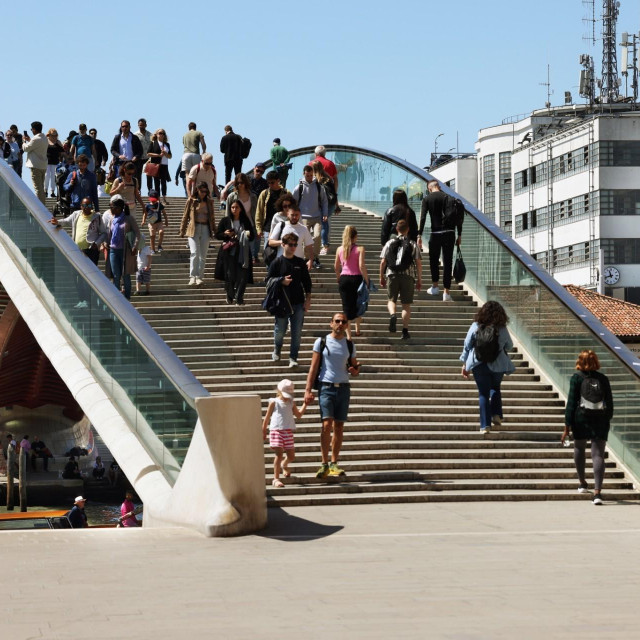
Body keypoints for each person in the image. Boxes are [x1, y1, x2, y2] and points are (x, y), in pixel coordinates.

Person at [304, 312, 361, 479]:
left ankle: (334, 463)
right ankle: (324, 463)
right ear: (331, 323)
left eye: (344, 322)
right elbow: (313, 368)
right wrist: (307, 390)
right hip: (326, 387)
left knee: (339, 426)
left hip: (343, 388)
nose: (341, 324)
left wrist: (354, 370)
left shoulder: (349, 345)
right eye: (337, 321)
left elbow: (355, 368)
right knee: (326, 424)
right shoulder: (321, 342)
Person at [562, 350, 614, 505]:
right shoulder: (603, 379)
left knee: (579, 448)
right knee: (598, 455)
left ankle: (582, 483)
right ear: (595, 361)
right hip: (600, 420)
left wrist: (567, 427)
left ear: (580, 361)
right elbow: (610, 404)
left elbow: (571, 403)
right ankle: (597, 493)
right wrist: (606, 418)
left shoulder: (576, 378)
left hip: (581, 418)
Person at [460, 301, 516, 435]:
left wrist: (464, 364)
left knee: (483, 393)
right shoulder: (501, 328)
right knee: (495, 387)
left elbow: (467, 345)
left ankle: (485, 426)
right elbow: (509, 346)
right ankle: (496, 414)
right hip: (499, 365)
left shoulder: (475, 325)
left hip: (479, 364)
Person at [266, 232, 312, 367]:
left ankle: (293, 357)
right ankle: (277, 349)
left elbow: (307, 282)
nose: (293, 247)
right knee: (280, 330)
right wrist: (281, 280)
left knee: (296, 332)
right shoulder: (277, 262)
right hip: (282, 303)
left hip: (298, 302)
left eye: (295, 245)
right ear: (283, 244)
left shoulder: (300, 263)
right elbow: (268, 280)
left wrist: (308, 298)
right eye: (290, 245)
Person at [419, 179, 463, 302]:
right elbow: (458, 217)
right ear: (439, 186)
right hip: (449, 233)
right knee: (447, 262)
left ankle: (435, 287)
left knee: (434, 260)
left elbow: (422, 218)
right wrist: (459, 235)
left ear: (429, 188)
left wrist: (419, 235)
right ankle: (446, 293)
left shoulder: (427, 199)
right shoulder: (450, 198)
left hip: (435, 233)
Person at [379, 218, 422, 340]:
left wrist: (381, 276)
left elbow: (383, 262)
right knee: (406, 305)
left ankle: (393, 315)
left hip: (392, 274)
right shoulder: (412, 244)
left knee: (391, 300)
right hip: (407, 276)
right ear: (408, 229)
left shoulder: (389, 243)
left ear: (397, 229)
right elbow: (418, 263)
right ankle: (405, 331)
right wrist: (419, 279)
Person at [262, 379, 307, 487]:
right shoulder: (274, 402)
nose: (287, 396)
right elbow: (267, 417)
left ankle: (284, 464)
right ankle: (276, 479)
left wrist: (305, 404)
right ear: (280, 391)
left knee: (291, 456)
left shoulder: (291, 402)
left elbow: (299, 415)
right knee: (279, 454)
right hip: (276, 430)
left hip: (287, 431)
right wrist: (263, 430)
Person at [214, 200, 255, 305]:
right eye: (232, 207)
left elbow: (252, 236)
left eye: (237, 207)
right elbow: (217, 235)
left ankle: (239, 297)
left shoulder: (245, 221)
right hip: (229, 251)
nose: (234, 209)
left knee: (243, 275)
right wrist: (225, 234)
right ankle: (230, 295)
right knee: (229, 274)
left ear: (241, 208)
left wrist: (248, 234)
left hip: (243, 250)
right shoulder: (225, 220)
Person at [49, 196, 107, 266]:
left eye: (89, 205)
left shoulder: (97, 217)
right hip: (77, 249)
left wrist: (96, 243)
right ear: (81, 206)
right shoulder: (76, 214)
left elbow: (104, 233)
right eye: (85, 205)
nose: (87, 207)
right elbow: (66, 221)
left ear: (92, 206)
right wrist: (57, 222)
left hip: (91, 250)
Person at [179, 181, 217, 286]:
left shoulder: (209, 201)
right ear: (197, 190)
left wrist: (215, 230)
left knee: (203, 255)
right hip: (193, 228)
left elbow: (212, 217)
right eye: (201, 191)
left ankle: (199, 277)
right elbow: (185, 216)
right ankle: (192, 276)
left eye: (205, 191)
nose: (203, 193)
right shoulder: (191, 201)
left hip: (205, 228)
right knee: (194, 252)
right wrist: (182, 230)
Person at [335, 226, 369, 339]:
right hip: (357, 279)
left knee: (346, 307)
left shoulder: (340, 249)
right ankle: (357, 329)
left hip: (344, 278)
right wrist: (367, 279)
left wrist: (338, 277)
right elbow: (361, 266)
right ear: (355, 236)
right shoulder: (360, 249)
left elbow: (336, 266)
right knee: (359, 304)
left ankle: (349, 336)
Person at [105, 199, 141, 300]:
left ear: (119, 208)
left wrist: (135, 246)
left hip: (126, 251)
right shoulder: (112, 219)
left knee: (125, 275)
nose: (111, 209)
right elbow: (109, 234)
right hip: (113, 250)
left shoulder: (129, 219)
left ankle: (127, 297)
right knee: (116, 275)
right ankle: (117, 299)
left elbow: (138, 234)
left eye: (112, 207)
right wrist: (105, 243)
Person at [292, 165, 327, 268]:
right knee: (305, 239)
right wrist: (295, 216)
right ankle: (307, 258)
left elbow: (324, 201)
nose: (310, 177)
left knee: (317, 236)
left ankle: (315, 258)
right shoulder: (299, 187)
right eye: (308, 175)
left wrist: (325, 213)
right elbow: (293, 202)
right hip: (304, 218)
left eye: (311, 175)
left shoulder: (318, 187)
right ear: (304, 174)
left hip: (316, 216)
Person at [267, 196, 314, 269]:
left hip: (298, 262)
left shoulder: (303, 228)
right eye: (292, 215)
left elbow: (309, 246)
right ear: (288, 214)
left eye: (296, 215)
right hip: (282, 262)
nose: (294, 217)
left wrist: (311, 260)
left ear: (299, 215)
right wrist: (282, 242)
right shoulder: (280, 225)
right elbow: (270, 242)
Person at [225, 173, 259, 263]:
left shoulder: (253, 196)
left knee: (251, 245)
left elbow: (256, 211)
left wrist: (259, 225)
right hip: (236, 224)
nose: (240, 185)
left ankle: (252, 258)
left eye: (242, 182)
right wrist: (228, 226)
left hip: (250, 223)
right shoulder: (231, 196)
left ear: (246, 183)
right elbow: (228, 213)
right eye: (238, 183)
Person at [255, 171, 289, 253]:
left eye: (272, 182)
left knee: (283, 251)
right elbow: (259, 211)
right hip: (268, 227)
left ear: (278, 181)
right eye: (268, 183)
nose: (270, 185)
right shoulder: (264, 193)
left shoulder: (286, 193)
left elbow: (292, 209)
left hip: (284, 226)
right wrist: (259, 228)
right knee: (269, 252)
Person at [312, 160, 338, 256]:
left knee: (322, 224)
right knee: (324, 224)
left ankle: (324, 245)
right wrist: (337, 205)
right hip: (330, 204)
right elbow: (334, 193)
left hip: (322, 204)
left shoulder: (317, 180)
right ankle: (324, 245)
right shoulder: (328, 178)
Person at [22, 121, 48, 204]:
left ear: (34, 129)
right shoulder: (44, 138)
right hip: (43, 166)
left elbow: (26, 148)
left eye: (31, 129)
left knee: (38, 188)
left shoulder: (36, 139)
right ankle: (42, 204)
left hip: (35, 166)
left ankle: (41, 206)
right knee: (41, 187)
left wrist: (24, 142)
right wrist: (29, 139)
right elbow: (35, 145)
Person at [146, 128, 172, 203]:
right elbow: (148, 153)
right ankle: (158, 199)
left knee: (164, 182)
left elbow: (170, 156)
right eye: (160, 133)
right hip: (156, 165)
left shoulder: (167, 144)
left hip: (164, 165)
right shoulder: (153, 143)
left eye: (163, 133)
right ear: (156, 134)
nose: (161, 135)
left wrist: (165, 154)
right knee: (156, 182)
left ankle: (164, 198)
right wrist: (158, 155)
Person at [142, 189, 168, 254]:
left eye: (154, 200)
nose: (153, 202)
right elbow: (145, 214)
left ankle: (159, 245)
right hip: (151, 223)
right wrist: (143, 221)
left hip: (159, 222)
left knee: (161, 232)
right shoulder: (148, 205)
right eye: (152, 200)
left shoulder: (159, 204)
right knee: (152, 236)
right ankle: (152, 249)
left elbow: (164, 213)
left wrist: (166, 220)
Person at [135, 118, 153, 194]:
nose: (141, 126)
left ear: (146, 125)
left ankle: (150, 191)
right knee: (138, 175)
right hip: (139, 158)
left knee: (149, 175)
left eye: (143, 125)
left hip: (148, 158)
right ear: (138, 125)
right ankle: (138, 191)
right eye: (140, 125)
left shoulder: (150, 135)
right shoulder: (135, 135)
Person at [45, 129, 64, 197]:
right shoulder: (46, 141)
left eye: (55, 135)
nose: (54, 137)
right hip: (47, 162)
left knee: (54, 177)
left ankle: (52, 191)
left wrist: (59, 144)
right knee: (47, 176)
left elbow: (62, 151)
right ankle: (45, 190)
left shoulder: (58, 142)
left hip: (55, 162)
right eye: (52, 135)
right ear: (49, 135)